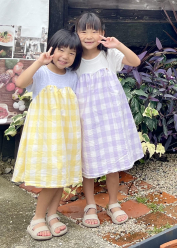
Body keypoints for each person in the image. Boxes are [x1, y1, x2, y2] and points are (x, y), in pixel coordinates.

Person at [12, 29, 83, 240]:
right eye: (61, 50)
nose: (65, 56)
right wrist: (38, 62)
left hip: (65, 134)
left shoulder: (72, 77)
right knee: (51, 178)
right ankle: (37, 219)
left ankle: (52, 215)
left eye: (71, 53)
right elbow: (20, 83)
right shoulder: (42, 72)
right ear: (52, 49)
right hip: (44, 134)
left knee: (60, 175)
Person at [73, 12, 143, 227]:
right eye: (83, 30)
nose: (89, 35)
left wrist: (118, 45)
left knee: (113, 162)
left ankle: (113, 203)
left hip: (111, 117)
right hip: (86, 118)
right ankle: (90, 205)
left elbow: (135, 61)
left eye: (94, 30)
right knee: (89, 163)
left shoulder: (108, 55)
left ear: (102, 33)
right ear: (76, 33)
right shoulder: (73, 59)